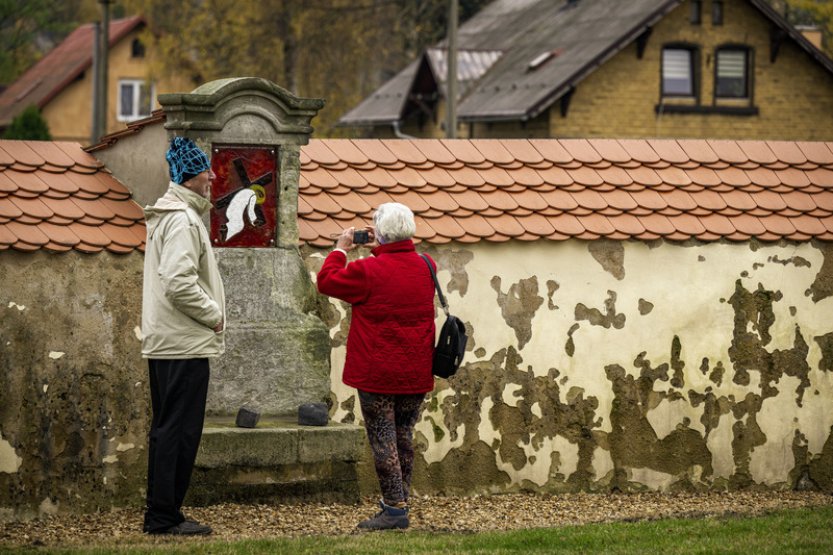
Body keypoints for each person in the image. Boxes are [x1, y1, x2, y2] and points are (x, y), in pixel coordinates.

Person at [317, 202, 436, 530]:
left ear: (380, 234)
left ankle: (395, 510)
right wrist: (383, 246)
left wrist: (342, 249)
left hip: (377, 372)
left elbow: (327, 281)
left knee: (383, 438)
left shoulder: (367, 271)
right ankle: (401, 500)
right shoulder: (428, 265)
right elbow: (399, 265)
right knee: (403, 435)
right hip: (416, 371)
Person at [140, 136, 225, 536]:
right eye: (205, 169)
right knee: (179, 429)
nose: (212, 175)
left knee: (168, 427)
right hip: (183, 341)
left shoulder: (173, 214)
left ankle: (163, 512)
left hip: (171, 341)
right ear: (191, 176)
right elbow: (178, 282)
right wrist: (213, 315)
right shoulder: (182, 220)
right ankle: (164, 516)